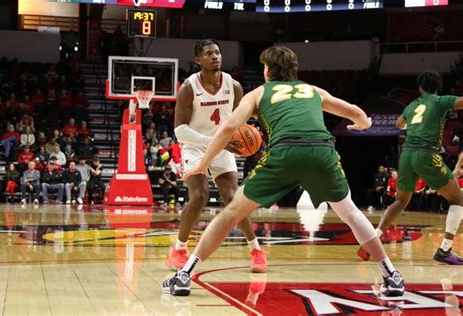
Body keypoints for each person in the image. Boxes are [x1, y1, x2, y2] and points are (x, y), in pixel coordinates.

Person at [163, 46, 404, 297]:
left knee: (231, 212)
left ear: (267, 70)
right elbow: (356, 112)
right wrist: (362, 123)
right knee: (351, 212)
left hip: (285, 152)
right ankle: (391, 274)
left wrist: (203, 165)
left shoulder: (259, 93)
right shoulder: (312, 90)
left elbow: (228, 128)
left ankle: (184, 276)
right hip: (322, 151)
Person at [168, 39, 267, 273]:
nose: (215, 57)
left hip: (223, 145)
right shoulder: (188, 88)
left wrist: (247, 134)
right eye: (209, 53)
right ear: (197, 59)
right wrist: (214, 141)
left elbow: (240, 119)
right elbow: (180, 130)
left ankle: (256, 250)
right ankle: (179, 250)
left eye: (218, 53)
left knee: (234, 199)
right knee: (199, 196)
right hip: (195, 145)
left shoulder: (234, 86)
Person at [357, 71, 463, 265]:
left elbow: (399, 123)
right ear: (437, 87)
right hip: (426, 153)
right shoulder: (440, 101)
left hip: (406, 155)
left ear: (420, 88)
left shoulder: (412, 105)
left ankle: (369, 243)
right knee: (458, 199)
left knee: (399, 201)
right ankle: (445, 250)